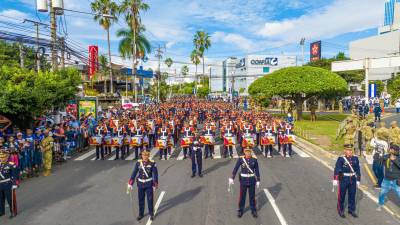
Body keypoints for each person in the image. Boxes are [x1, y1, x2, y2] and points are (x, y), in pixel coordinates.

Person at [127, 150, 158, 221]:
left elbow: (155, 175)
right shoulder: (138, 163)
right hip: (140, 184)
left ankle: (151, 214)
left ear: (148, 156)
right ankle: (141, 214)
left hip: (149, 184)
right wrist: (130, 183)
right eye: (143, 155)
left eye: (146, 155)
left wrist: (155, 184)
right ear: (142, 156)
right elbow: (134, 173)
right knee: (141, 200)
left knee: (150, 200)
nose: (145, 157)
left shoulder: (152, 163)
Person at [229, 148, 260, 218]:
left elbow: (257, 170)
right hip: (243, 181)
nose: (248, 153)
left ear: (251, 152)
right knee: (242, 197)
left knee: (252, 197)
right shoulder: (241, 159)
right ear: (244, 152)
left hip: (252, 181)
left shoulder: (254, 160)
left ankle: (253, 210)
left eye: (249, 152)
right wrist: (232, 177)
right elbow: (236, 168)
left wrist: (258, 180)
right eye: (247, 152)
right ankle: (240, 210)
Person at [333, 144, 361, 218]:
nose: (350, 152)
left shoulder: (355, 158)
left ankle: (351, 210)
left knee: (352, 195)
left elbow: (358, 169)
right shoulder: (341, 159)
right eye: (348, 150)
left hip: (353, 179)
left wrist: (358, 180)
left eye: (351, 150)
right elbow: (337, 169)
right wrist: (335, 179)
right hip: (344, 179)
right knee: (341, 195)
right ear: (344, 151)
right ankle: (340, 210)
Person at [376, 144, 400, 211]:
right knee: (382, 193)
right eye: (391, 149)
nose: (391, 151)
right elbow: (381, 160)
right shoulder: (386, 156)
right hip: (387, 180)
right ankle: (380, 204)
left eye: (393, 150)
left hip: (397, 181)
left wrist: (394, 160)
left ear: (396, 151)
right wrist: (377, 159)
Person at [0, 148, 18, 218]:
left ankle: (13, 212)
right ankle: (1, 211)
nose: (1, 158)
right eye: (0, 157)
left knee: (10, 199)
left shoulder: (11, 164)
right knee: (0, 199)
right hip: (0, 184)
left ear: (7, 156)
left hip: (8, 184)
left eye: (3, 157)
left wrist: (14, 184)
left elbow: (15, 175)